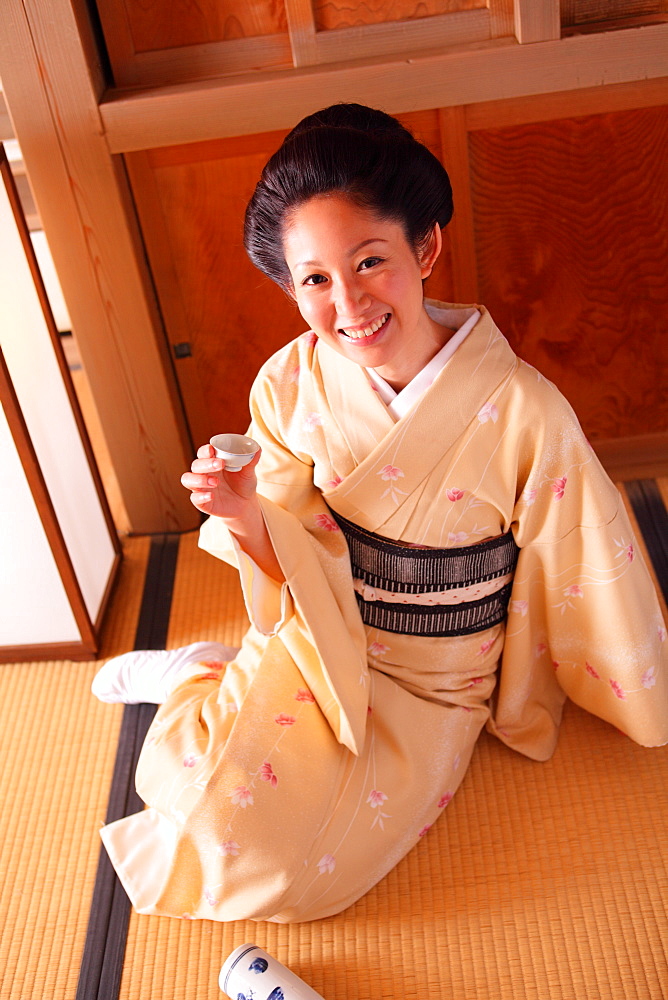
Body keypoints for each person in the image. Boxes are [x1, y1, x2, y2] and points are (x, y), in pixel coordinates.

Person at [94, 103, 668, 924]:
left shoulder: (522, 410)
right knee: (204, 810)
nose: (348, 303)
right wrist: (244, 511)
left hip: (436, 684)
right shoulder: (291, 386)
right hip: (323, 638)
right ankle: (196, 675)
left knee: (294, 877)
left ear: (424, 247)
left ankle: (206, 683)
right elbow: (287, 541)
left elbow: (572, 557)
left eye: (369, 262)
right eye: (315, 280)